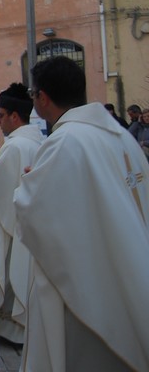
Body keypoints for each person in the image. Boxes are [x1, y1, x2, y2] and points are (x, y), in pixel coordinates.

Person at [14, 56, 149, 371]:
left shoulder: (64, 141)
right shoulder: (121, 137)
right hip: (132, 268)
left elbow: (33, 212)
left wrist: (28, 184)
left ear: (42, 97)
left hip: (91, 281)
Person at [0, 83, 42, 345]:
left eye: (1, 115)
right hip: (27, 224)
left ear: (15, 116)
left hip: (8, 222)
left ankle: (7, 326)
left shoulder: (15, 147)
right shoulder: (38, 142)